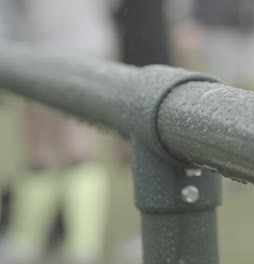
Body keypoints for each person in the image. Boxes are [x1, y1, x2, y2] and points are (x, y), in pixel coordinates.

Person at [0, 0, 117, 263]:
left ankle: (28, 240)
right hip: (88, 43)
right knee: (77, 143)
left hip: (42, 48)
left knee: (43, 146)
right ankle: (82, 244)